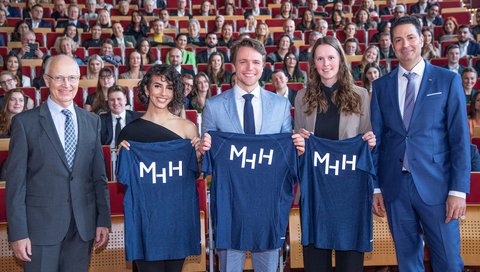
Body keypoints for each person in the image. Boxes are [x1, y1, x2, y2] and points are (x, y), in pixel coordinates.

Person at [371, 16, 470, 272]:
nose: (405, 45)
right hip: (396, 188)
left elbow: (460, 138)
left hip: (438, 187)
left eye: (410, 37)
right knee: (407, 262)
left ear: (423, 39)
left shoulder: (447, 80)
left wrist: (458, 190)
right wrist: (376, 187)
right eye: (398, 40)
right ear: (392, 46)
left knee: (448, 260)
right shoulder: (381, 87)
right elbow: (379, 140)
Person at [200, 38, 305, 272]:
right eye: (243, 61)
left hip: (267, 203)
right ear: (233, 65)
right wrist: (204, 148)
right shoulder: (214, 106)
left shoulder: (280, 105)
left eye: (256, 62)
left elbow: (284, 155)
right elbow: (207, 161)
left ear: (264, 65)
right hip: (231, 204)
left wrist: (297, 147)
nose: (249, 68)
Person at [5, 54, 111, 272]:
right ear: (46, 80)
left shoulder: (92, 122)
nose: (66, 85)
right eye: (59, 78)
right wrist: (18, 232)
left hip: (82, 228)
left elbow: (98, 177)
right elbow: (16, 184)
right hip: (40, 230)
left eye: (72, 78)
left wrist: (103, 220)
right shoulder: (25, 123)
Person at [294, 35, 375, 272]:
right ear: (313, 64)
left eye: (331, 57)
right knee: (316, 262)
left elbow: (367, 137)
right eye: (320, 58)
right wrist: (299, 143)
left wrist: (369, 143)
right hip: (316, 193)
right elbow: (299, 148)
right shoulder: (302, 97)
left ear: (341, 59)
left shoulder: (361, 95)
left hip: (349, 195)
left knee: (349, 264)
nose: (326, 63)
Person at [117, 64, 200, 272]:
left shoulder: (188, 128)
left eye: (170, 87)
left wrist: (199, 153)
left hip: (177, 221)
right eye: (157, 86)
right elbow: (123, 178)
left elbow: (197, 172)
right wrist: (122, 154)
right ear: (146, 89)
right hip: (145, 224)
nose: (163, 93)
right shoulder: (130, 133)